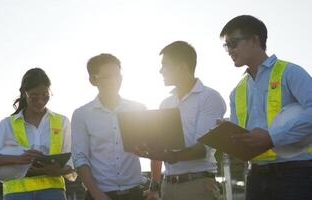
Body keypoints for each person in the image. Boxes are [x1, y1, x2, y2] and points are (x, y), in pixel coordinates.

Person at [220, 15, 312, 200]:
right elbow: (244, 140)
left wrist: (272, 138)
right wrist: (226, 135)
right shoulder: (236, 92)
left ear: (255, 40)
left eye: (234, 42)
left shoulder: (290, 72)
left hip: (296, 173)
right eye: (226, 45)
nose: (229, 50)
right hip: (255, 176)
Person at [0, 68, 74, 200]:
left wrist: (58, 171)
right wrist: (17, 159)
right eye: (34, 97)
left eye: (45, 95)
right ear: (23, 94)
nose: (40, 101)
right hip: (17, 194)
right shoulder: (8, 124)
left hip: (52, 193)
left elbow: (73, 160)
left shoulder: (62, 122)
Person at [143, 41, 226, 200]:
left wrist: (168, 156)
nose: (161, 71)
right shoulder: (165, 103)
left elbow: (201, 149)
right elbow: (158, 145)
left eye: (165, 65)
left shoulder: (209, 98)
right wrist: (154, 186)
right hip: (167, 186)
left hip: (197, 186)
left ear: (181, 66)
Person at [71, 53, 146, 200]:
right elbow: (80, 158)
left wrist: (154, 186)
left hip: (135, 194)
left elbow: (154, 146)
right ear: (93, 80)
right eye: (108, 77)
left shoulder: (138, 109)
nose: (115, 81)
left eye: (118, 76)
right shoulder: (82, 114)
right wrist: (97, 195)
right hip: (98, 195)